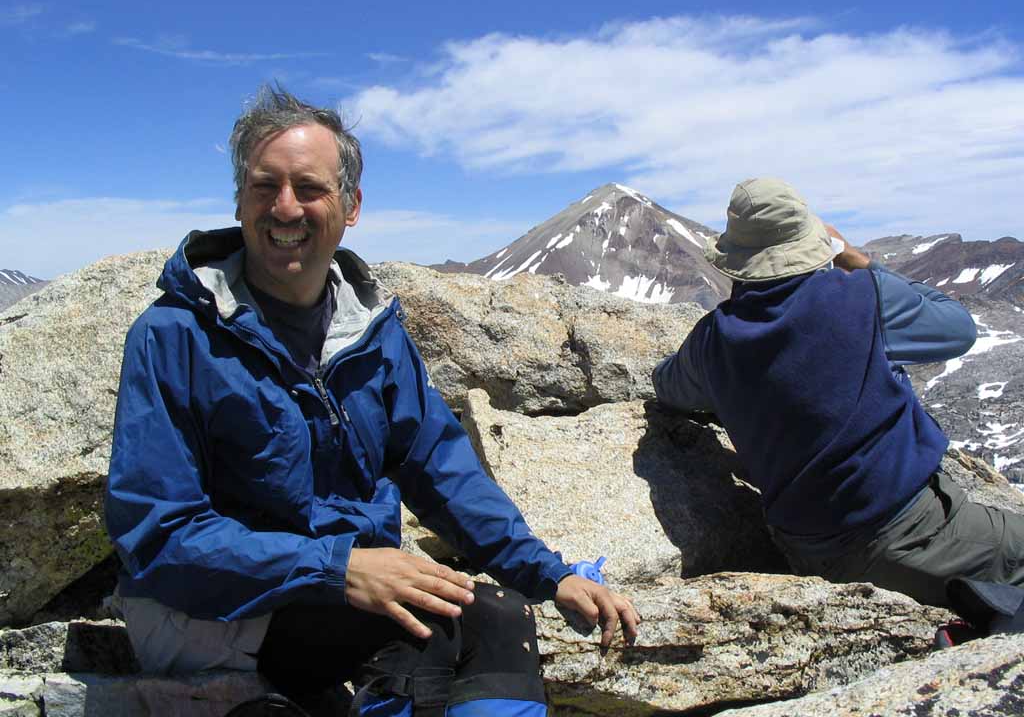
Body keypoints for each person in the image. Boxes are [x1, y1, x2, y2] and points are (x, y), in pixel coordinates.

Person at [105, 85, 639, 717]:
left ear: (351, 205)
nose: (284, 207)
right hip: (205, 603)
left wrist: (549, 574)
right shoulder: (177, 335)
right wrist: (337, 567)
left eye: (309, 188)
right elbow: (160, 533)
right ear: (240, 199)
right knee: (425, 630)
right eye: (264, 186)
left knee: (499, 617)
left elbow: (440, 470)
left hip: (332, 587)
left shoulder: (371, 334)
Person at [653, 177, 1024, 609]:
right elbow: (958, 328)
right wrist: (859, 261)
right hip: (909, 533)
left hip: (804, 548)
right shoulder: (862, 298)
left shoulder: (712, 340)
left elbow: (668, 387)